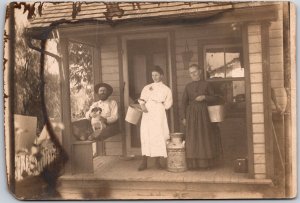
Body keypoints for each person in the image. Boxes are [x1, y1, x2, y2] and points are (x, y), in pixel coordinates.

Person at [182, 64, 219, 170]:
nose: (193, 74)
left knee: (204, 137)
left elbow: (215, 98)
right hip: (191, 114)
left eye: (194, 72)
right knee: (193, 137)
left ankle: (205, 164)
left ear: (199, 71)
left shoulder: (207, 84)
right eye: (190, 73)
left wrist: (204, 97)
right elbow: (184, 103)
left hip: (204, 113)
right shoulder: (188, 86)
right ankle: (194, 164)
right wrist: (183, 117)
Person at [137, 66, 173, 171]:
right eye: (153, 75)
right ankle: (144, 162)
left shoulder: (166, 89)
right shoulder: (147, 87)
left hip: (158, 113)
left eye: (156, 75)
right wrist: (143, 106)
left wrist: (160, 106)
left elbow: (168, 104)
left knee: (158, 134)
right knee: (146, 134)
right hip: (147, 112)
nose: (154, 77)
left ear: (161, 75)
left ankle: (157, 162)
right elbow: (142, 99)